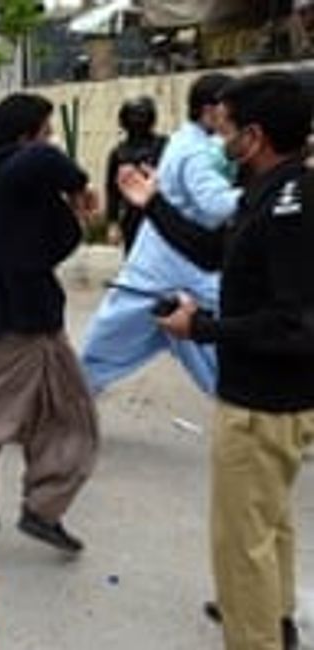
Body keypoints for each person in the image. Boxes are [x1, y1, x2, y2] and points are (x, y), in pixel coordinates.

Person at [119, 71, 313, 650]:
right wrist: (152, 206)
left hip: (262, 404)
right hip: (278, 401)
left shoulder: (289, 208)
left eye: (224, 128)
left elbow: (292, 323)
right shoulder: (273, 190)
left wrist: (200, 327)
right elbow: (216, 251)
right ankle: (274, 618)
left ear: (252, 135)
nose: (216, 138)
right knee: (268, 524)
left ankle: (254, 637)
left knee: (239, 542)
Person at [0, 92, 100, 552]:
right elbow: (43, 163)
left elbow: (41, 243)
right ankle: (41, 510)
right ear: (25, 137)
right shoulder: (10, 170)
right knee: (69, 421)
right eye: (45, 132)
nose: (50, 141)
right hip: (20, 324)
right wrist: (80, 184)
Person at [81, 73, 241, 396]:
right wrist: (262, 194)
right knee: (102, 348)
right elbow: (216, 206)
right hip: (162, 262)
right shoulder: (193, 150)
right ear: (212, 110)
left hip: (178, 263)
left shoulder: (182, 143)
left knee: (219, 355)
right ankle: (57, 406)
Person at [104, 96, 168, 253]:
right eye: (133, 115)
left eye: (142, 115)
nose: (137, 120)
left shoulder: (164, 145)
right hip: (132, 217)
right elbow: (112, 190)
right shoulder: (118, 152)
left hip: (162, 215)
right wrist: (112, 223)